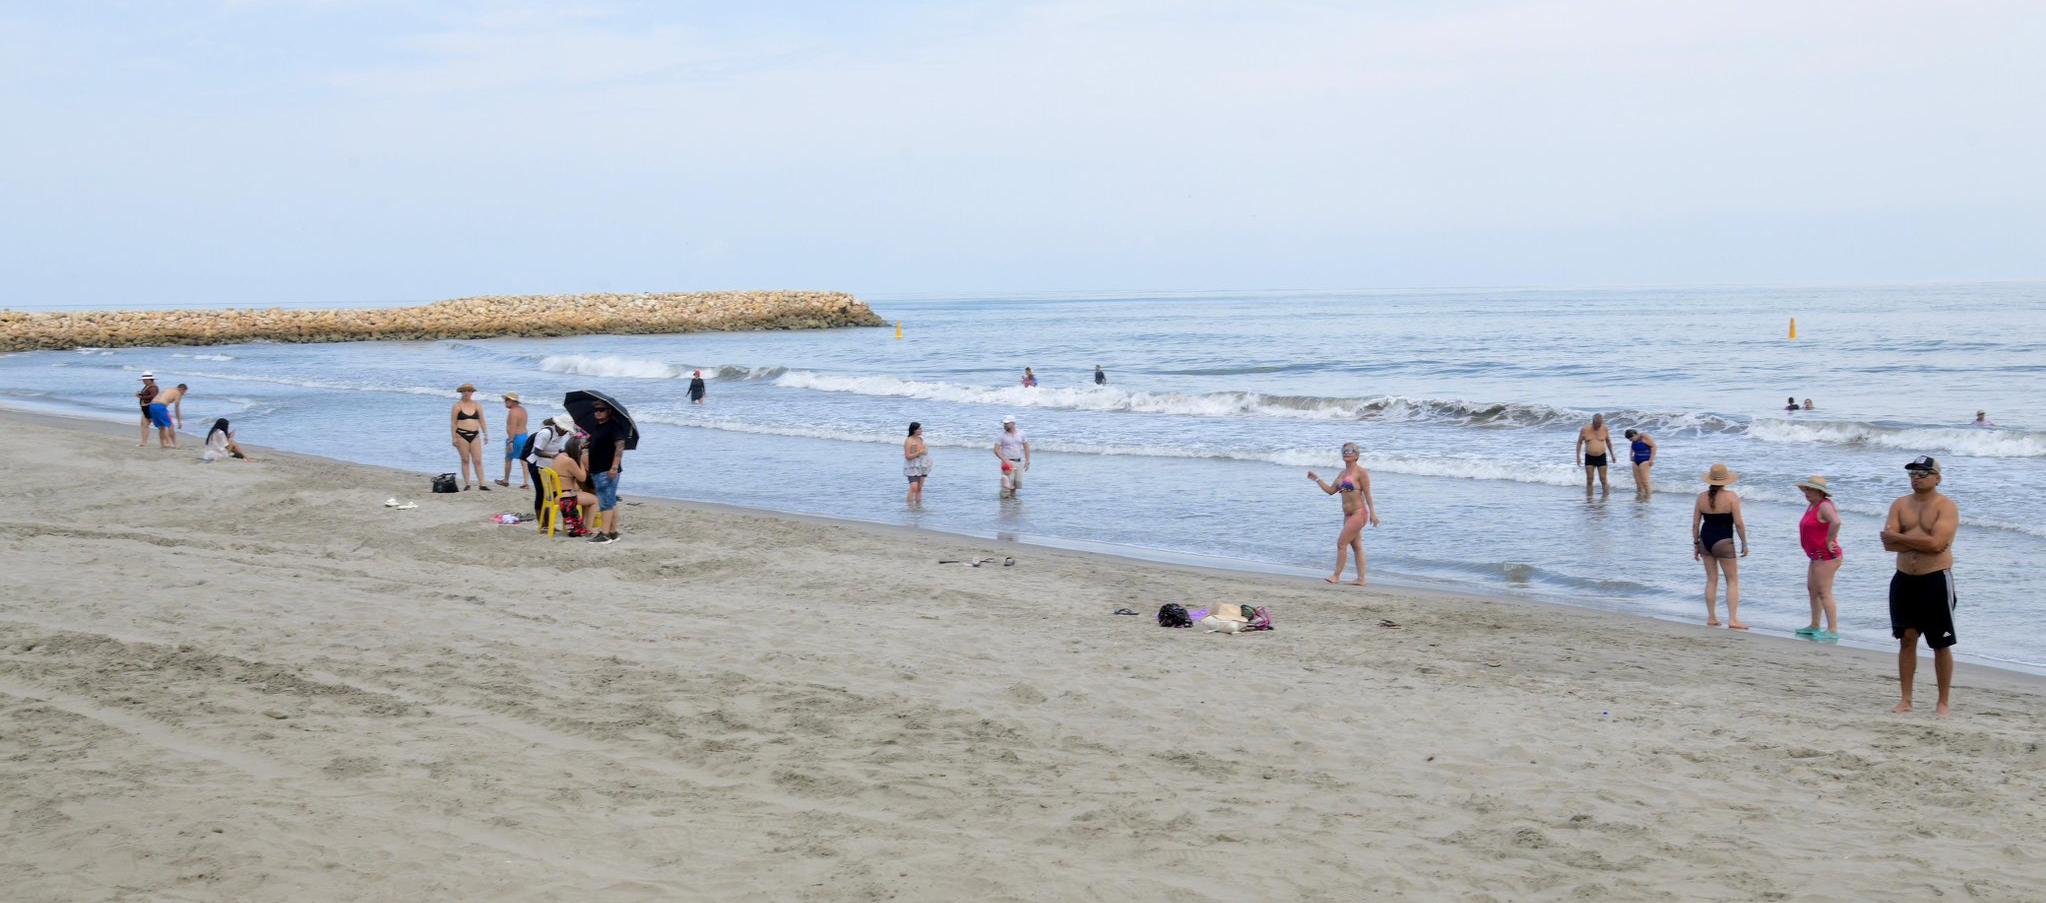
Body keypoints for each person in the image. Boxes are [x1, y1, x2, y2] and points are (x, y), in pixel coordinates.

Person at [1882, 456, 1961, 717]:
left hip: (1935, 578)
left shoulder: (1945, 507)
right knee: (1906, 639)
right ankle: (1905, 699)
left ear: (1937, 478)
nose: (1917, 477)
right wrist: (1919, 540)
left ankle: (1943, 702)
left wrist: (1901, 538)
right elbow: (1887, 543)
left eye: (1923, 473)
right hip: (1904, 578)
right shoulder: (1900, 504)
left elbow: (1938, 544)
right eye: (1913, 473)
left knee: (1940, 643)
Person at [1307, 442, 1379, 585]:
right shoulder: (1342, 474)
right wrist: (1317, 479)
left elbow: (1368, 494)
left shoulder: (1361, 472)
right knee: (1356, 546)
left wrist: (1373, 514)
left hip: (1359, 513)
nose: (1347, 453)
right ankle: (1361, 579)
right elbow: (1330, 491)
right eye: (1344, 451)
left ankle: (1336, 576)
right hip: (1347, 515)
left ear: (1357, 455)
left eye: (1351, 451)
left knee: (1341, 543)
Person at [1692, 463, 1750, 628]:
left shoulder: (1701, 497)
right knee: (1732, 580)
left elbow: (1695, 524)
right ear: (1726, 480)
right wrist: (1744, 543)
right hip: (1724, 540)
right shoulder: (1732, 497)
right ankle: (1733, 620)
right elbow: (1738, 523)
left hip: (1705, 540)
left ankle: (1711, 617)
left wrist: (1696, 544)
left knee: (1711, 579)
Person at [1795, 476, 1843, 640]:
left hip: (1827, 556)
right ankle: (1815, 625)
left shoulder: (1824, 505)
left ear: (1820, 492)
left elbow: (1836, 522)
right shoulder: (1812, 505)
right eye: (1806, 490)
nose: (1807, 493)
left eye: (1811, 490)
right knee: (1812, 589)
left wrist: (1830, 540)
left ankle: (1833, 629)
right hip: (1815, 556)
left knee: (1824, 592)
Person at [584, 400, 629, 543]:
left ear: (609, 411)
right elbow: (599, 442)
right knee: (610, 500)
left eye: (601, 409)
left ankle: (604, 534)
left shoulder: (614, 427)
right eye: (596, 410)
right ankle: (613, 532)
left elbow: (620, 446)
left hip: (607, 470)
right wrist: (588, 444)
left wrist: (614, 466)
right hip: (598, 469)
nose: (598, 412)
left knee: (605, 502)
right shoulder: (598, 426)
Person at [524, 414, 576, 520]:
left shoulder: (558, 435)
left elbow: (555, 448)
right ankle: (543, 524)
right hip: (536, 465)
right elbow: (537, 451)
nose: (566, 432)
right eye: (565, 430)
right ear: (559, 426)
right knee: (541, 493)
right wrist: (553, 456)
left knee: (550, 494)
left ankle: (547, 522)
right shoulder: (545, 433)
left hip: (547, 466)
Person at [545, 436, 599, 535]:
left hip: (555, 494)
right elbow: (582, 477)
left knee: (587, 498)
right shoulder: (570, 461)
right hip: (565, 497)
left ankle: (585, 525)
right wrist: (580, 462)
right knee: (595, 500)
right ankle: (589, 527)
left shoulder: (560, 456)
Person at [450, 384, 490, 491]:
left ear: (472, 393)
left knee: (478, 460)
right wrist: (453, 438)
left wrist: (485, 434)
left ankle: (482, 484)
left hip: (475, 435)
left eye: (469, 391)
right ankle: (467, 484)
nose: (467, 393)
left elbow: (482, 420)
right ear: (461, 392)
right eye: (464, 391)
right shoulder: (457, 406)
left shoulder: (477, 405)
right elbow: (453, 423)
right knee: (465, 459)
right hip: (461, 434)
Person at [1575, 413, 1616, 493]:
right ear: (1593, 422)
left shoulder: (1604, 429)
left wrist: (1612, 455)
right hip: (1589, 457)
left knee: (1603, 479)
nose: (1599, 426)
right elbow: (1579, 443)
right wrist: (1578, 457)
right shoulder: (1585, 430)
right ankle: (1590, 498)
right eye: (1597, 424)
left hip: (1601, 456)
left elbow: (1608, 442)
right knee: (1590, 479)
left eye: (1600, 423)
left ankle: (1606, 498)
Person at [496, 393, 529, 489]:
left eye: (507, 400)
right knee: (524, 460)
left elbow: (512, 428)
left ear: (512, 401)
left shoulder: (513, 412)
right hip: (524, 437)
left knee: (508, 459)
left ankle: (506, 480)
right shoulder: (523, 410)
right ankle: (526, 482)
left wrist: (510, 441)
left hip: (515, 438)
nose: (505, 402)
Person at [993, 415, 1030, 498]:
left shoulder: (1022, 433)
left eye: (1007, 423)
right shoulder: (1001, 435)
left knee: (1015, 486)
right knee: (1006, 487)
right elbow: (996, 449)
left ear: (1013, 423)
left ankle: (1012, 506)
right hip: (1007, 463)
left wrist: (1027, 460)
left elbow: (1026, 447)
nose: (1004, 425)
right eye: (1004, 423)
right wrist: (1005, 460)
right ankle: (1005, 506)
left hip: (1018, 462)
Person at [150, 383, 189, 448]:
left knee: (162, 427)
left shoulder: (169, 389)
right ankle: (175, 444)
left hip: (152, 406)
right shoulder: (178, 393)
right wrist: (179, 421)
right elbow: (177, 408)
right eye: (184, 392)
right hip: (160, 406)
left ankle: (162, 444)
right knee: (171, 425)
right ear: (181, 389)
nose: (184, 394)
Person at [903, 421, 932, 505]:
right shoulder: (908, 440)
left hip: (923, 465)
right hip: (912, 466)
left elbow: (925, 451)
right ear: (914, 430)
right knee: (913, 487)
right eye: (919, 429)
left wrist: (921, 451)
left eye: (921, 428)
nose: (921, 430)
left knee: (919, 488)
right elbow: (908, 456)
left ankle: (918, 507)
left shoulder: (921, 439)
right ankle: (909, 507)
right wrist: (919, 452)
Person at [1623, 428, 1658, 497]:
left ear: (1634, 434)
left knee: (1645, 482)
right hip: (1636, 460)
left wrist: (1652, 459)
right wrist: (1630, 455)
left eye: (1631, 439)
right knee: (1638, 483)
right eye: (1629, 440)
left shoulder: (1644, 437)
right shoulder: (1634, 440)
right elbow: (1632, 447)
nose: (1631, 441)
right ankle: (1640, 499)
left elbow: (1654, 446)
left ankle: (1648, 498)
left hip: (1645, 460)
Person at [136, 373, 160, 447]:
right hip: (145, 408)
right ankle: (144, 442)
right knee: (144, 425)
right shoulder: (148, 386)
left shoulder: (153, 387)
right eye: (143, 380)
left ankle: (168, 440)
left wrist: (141, 397)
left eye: (145, 380)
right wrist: (141, 395)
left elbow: (153, 396)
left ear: (150, 380)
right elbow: (148, 395)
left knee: (159, 425)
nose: (144, 381)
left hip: (150, 408)